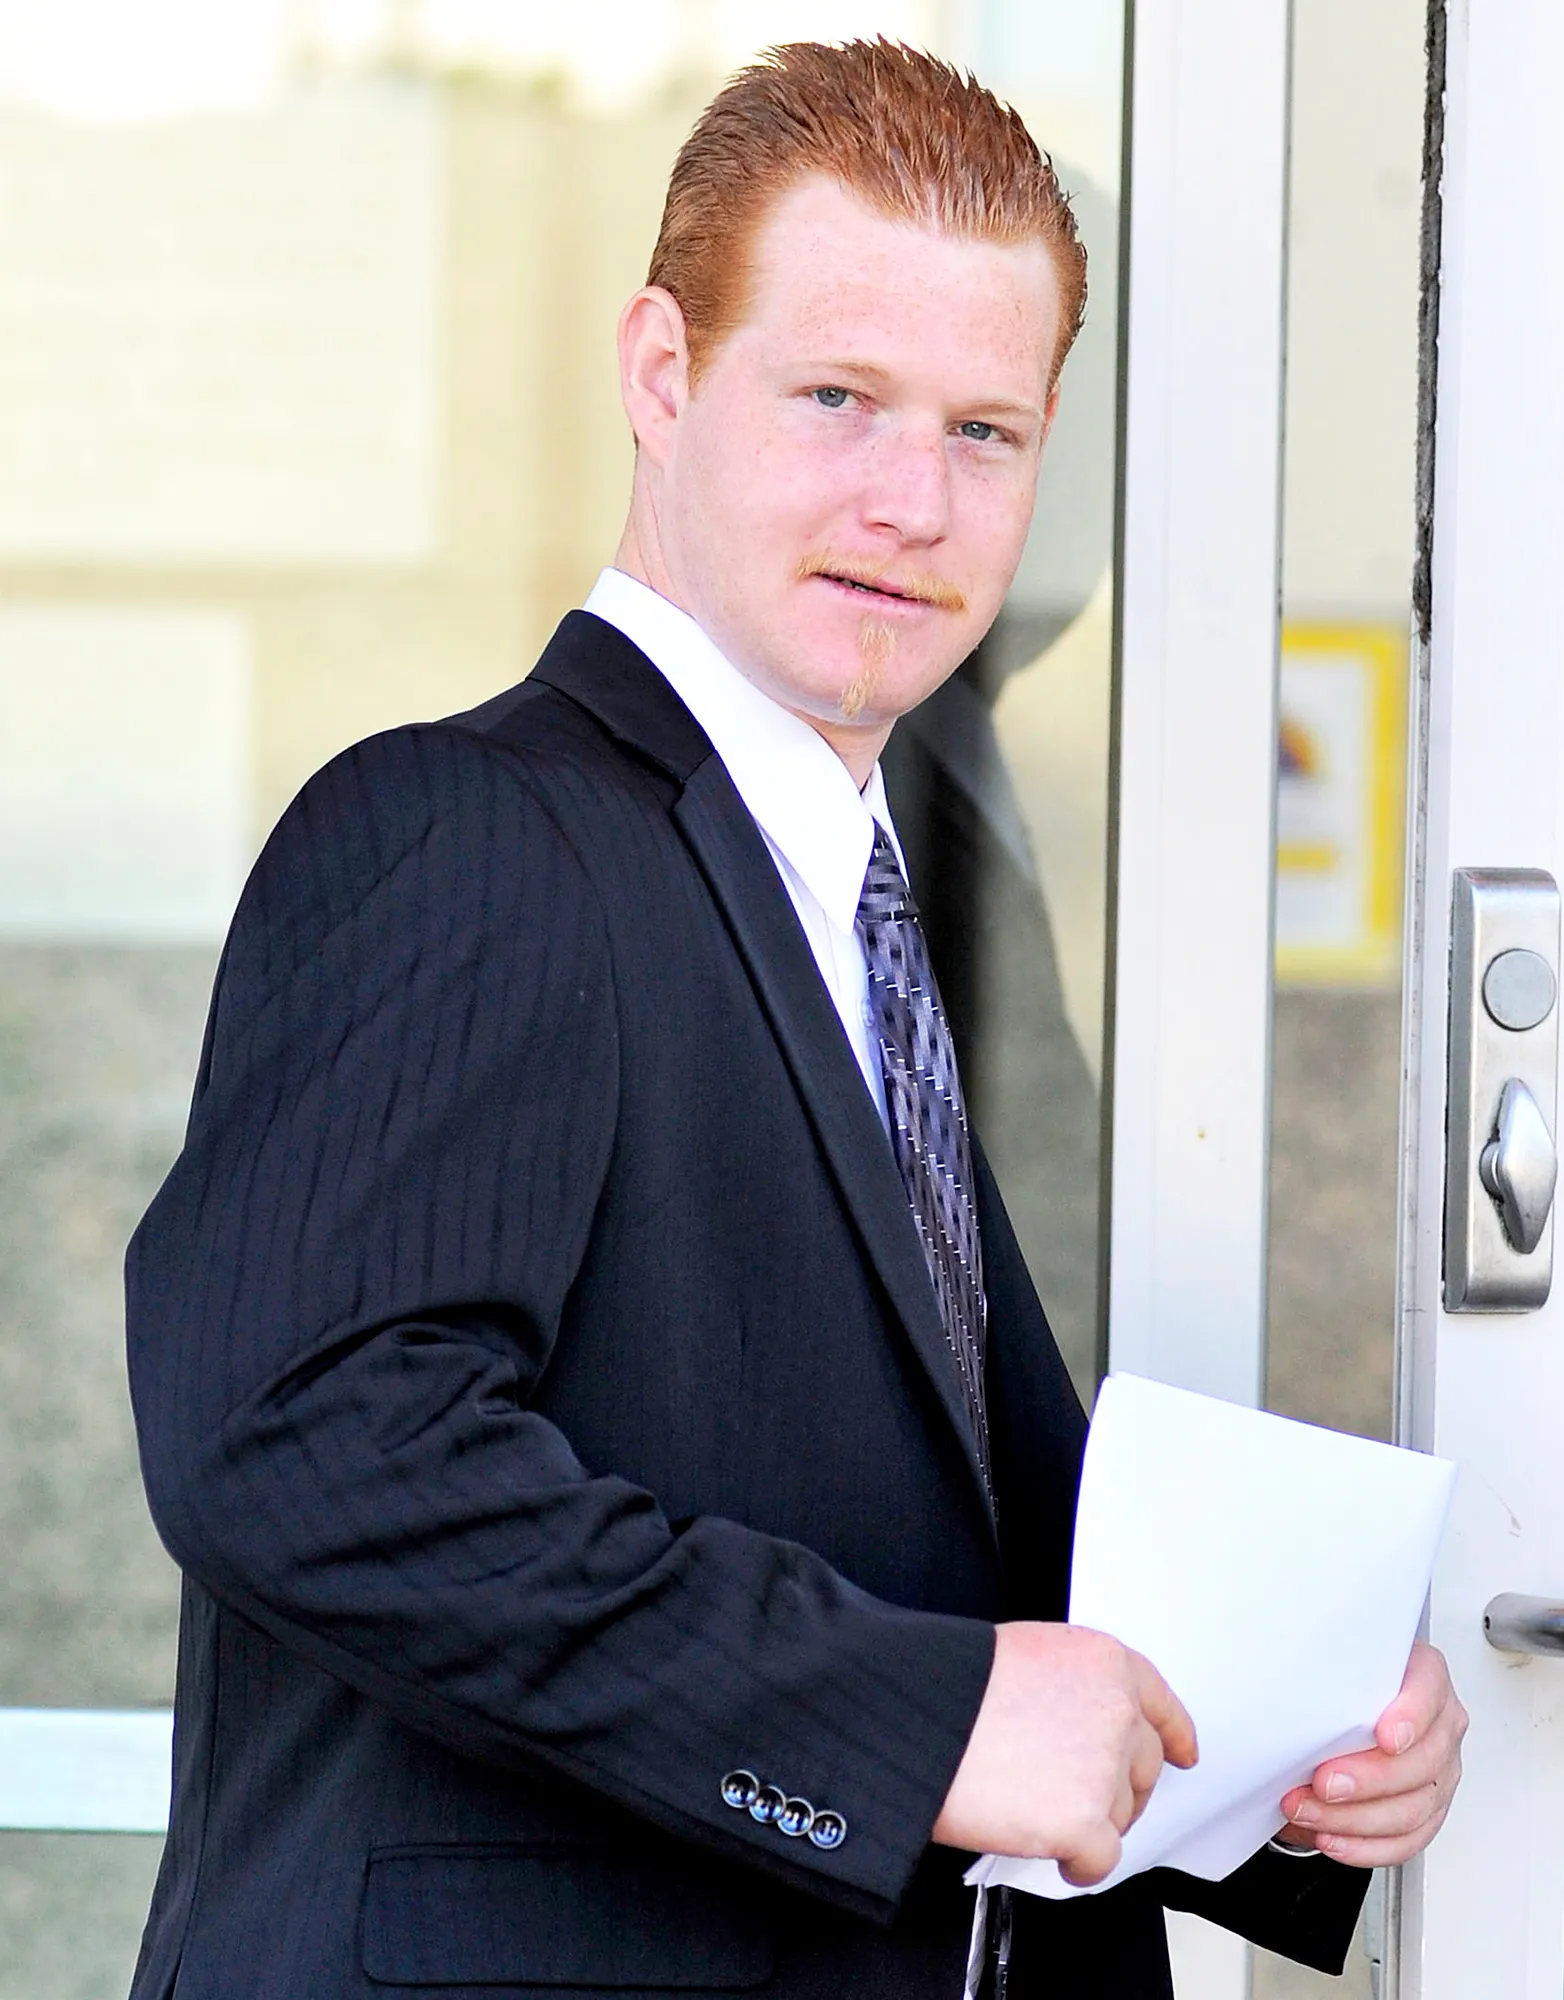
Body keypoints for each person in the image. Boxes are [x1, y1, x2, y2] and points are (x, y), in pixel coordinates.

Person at [124, 40, 1465, 2000]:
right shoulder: (462, 835)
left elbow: (908, 1518)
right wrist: (915, 1724)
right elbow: (303, 1445)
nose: (908, 501)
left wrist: (1262, 1751)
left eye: (983, 434)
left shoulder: (882, 889)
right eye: (835, 398)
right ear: (659, 373)